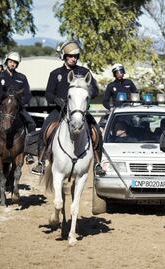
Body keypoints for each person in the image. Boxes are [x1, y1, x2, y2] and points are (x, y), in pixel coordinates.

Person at [31, 40, 104, 176]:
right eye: (70, 56)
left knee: (97, 132)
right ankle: (40, 161)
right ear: (64, 57)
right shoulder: (55, 74)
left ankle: (97, 163)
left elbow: (95, 89)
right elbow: (48, 94)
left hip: (80, 111)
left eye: (75, 57)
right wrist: (58, 101)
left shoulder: (84, 72)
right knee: (44, 130)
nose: (73, 59)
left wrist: (87, 95)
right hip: (60, 110)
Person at [0, 51, 36, 164]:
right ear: (7, 62)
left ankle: (30, 153)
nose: (13, 64)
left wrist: (20, 103)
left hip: (17, 108)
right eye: (11, 62)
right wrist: (1, 99)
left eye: (15, 63)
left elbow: (28, 94)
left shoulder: (22, 78)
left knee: (31, 123)